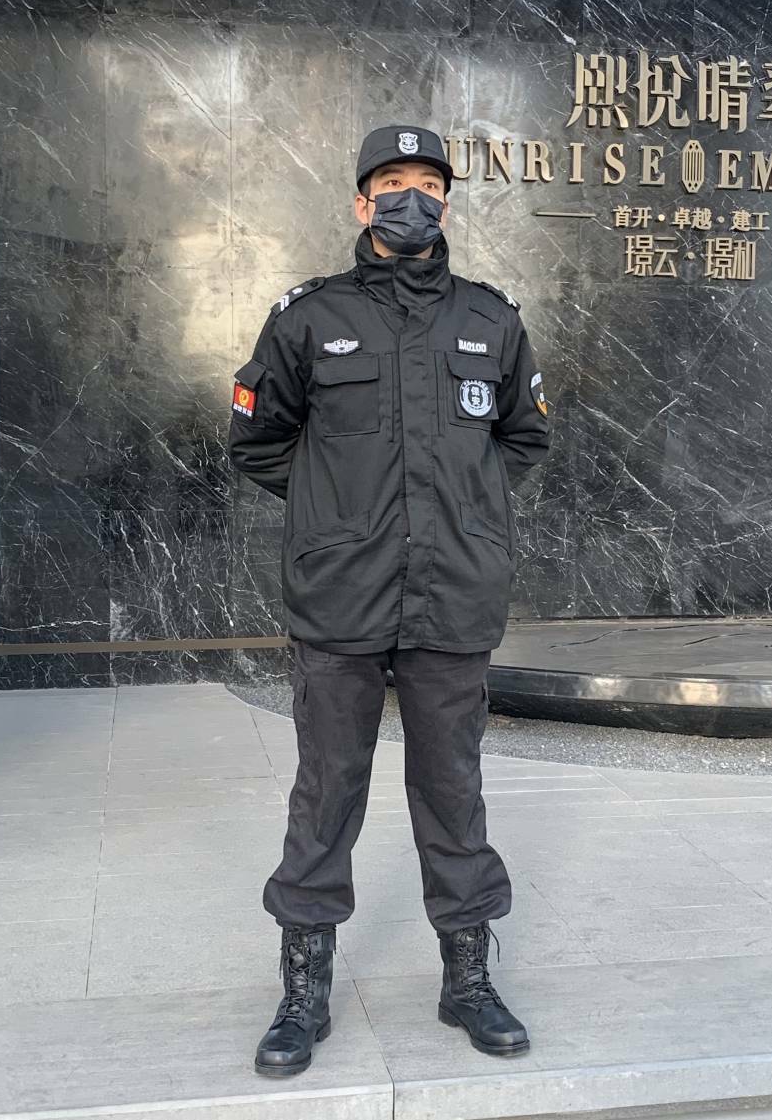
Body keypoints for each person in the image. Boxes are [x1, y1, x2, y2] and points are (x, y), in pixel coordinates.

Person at [227, 124, 553, 1077]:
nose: (413, 197)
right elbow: (257, 441)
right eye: (393, 182)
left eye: (429, 183)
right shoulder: (309, 316)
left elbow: (524, 439)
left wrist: (461, 511)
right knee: (327, 790)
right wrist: (336, 511)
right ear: (362, 202)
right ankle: (304, 988)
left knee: (453, 788)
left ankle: (467, 979)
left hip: (452, 593)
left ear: (446, 201)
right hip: (341, 594)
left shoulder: (491, 320)